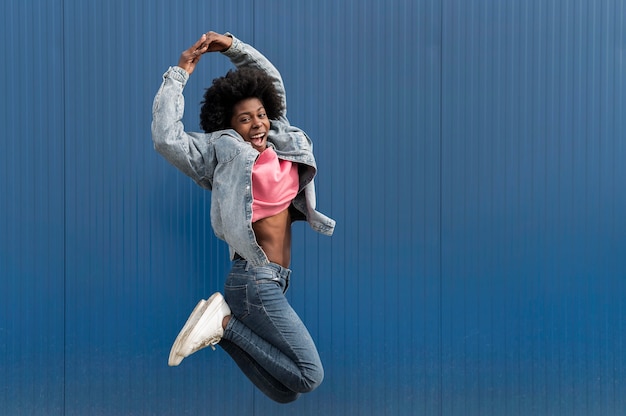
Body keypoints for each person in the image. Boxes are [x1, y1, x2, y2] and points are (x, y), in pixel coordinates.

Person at [151, 31, 335, 403]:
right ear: (229, 124)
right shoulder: (223, 151)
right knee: (309, 375)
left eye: (262, 115)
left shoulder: (282, 141)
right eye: (245, 119)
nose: (258, 124)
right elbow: (166, 138)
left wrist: (233, 46)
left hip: (277, 281)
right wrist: (180, 72)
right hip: (253, 278)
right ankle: (224, 324)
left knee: (285, 392)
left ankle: (222, 327)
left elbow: (271, 80)